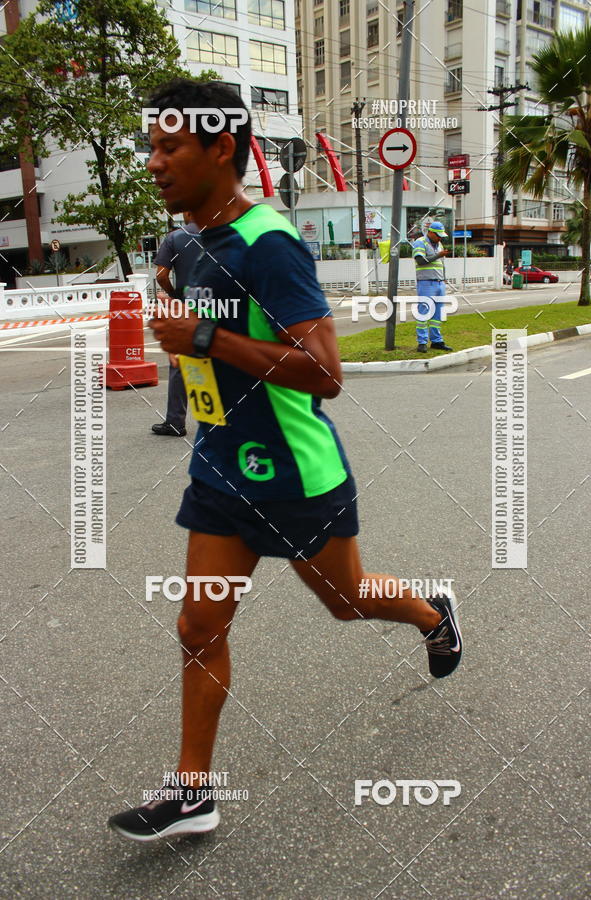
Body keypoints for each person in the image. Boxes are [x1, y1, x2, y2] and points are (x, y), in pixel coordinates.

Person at [108, 79, 462, 843]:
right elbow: (202, 322)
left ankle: (434, 615)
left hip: (296, 474)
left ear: (220, 148)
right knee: (200, 625)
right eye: (152, 147)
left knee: (347, 600)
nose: (154, 163)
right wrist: (178, 307)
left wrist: (203, 339)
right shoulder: (196, 243)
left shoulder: (270, 243)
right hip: (220, 470)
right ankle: (193, 791)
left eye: (169, 147)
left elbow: (324, 370)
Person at [151, 211, 202, 437]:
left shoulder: (175, 237)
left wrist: (175, 295)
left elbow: (161, 275)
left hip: (187, 306)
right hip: (222, 305)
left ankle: (175, 422)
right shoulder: (224, 235)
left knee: (179, 364)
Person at [412, 222, 454, 353]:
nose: (440, 238)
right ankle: (422, 342)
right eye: (438, 235)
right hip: (426, 283)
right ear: (430, 232)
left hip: (439, 283)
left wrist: (443, 279)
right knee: (424, 313)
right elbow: (420, 260)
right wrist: (438, 255)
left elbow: (441, 264)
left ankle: (436, 341)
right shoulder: (420, 242)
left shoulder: (439, 244)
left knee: (437, 314)